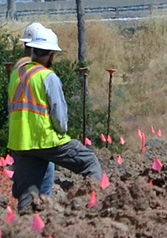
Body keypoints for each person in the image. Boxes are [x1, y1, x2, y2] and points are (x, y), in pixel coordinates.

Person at [7, 24, 103, 212]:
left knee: (28, 194)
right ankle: (92, 209)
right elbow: (59, 115)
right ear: (51, 55)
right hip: (46, 139)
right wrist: (62, 133)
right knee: (89, 161)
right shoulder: (47, 76)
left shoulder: (17, 75)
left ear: (32, 49)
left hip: (20, 143)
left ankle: (26, 229)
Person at [14, 22, 55, 197]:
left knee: (27, 182)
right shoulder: (31, 69)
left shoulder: (20, 68)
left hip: (21, 136)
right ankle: (39, 218)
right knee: (42, 183)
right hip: (36, 136)